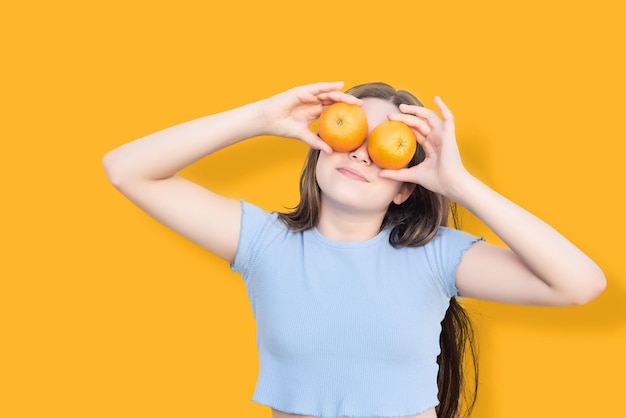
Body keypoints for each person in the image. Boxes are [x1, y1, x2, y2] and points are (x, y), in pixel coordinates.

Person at [102, 81, 606, 418]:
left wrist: (461, 184)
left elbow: (581, 284)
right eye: (351, 129)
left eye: (388, 141)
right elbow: (126, 168)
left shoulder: (434, 256)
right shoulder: (264, 243)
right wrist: (260, 117)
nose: (363, 151)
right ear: (320, 144)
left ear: (405, 186)